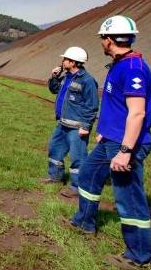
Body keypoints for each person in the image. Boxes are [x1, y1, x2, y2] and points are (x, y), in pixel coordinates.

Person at [69, 15, 151, 268]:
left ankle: (139, 256)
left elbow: (137, 112)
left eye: (101, 39)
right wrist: (105, 132)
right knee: (87, 176)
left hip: (123, 145)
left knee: (128, 199)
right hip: (111, 140)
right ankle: (84, 222)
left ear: (108, 40)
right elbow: (117, 107)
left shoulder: (132, 69)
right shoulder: (119, 65)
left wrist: (126, 151)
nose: (101, 43)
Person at [42, 46, 99, 197]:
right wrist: (54, 76)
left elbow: (92, 106)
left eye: (65, 59)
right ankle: (55, 177)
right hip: (62, 124)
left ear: (73, 62)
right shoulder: (66, 77)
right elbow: (54, 89)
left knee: (77, 158)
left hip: (77, 127)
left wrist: (86, 126)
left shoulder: (87, 81)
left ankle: (77, 187)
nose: (63, 61)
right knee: (55, 150)